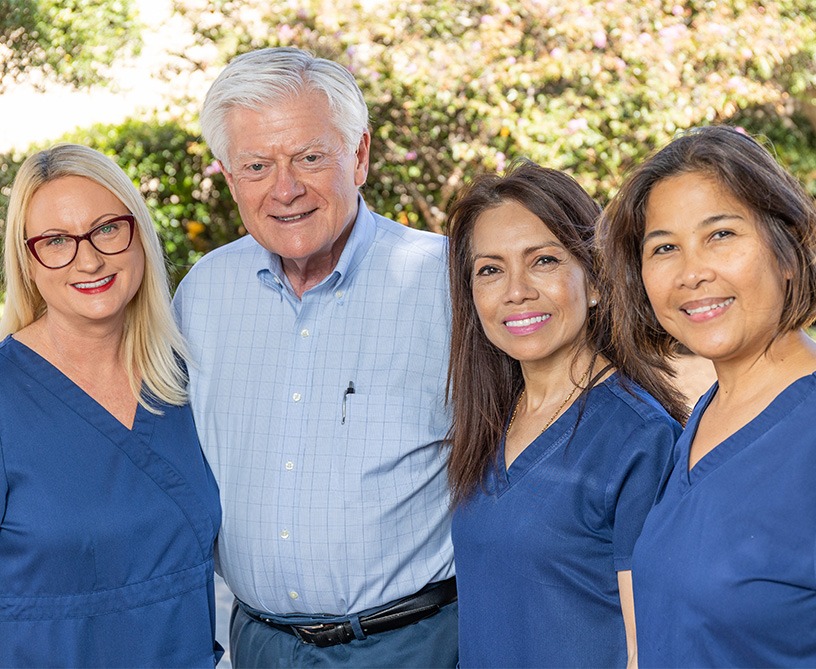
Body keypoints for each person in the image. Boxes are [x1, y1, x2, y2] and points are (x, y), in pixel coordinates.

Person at [173, 47, 456, 667]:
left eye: (309, 156)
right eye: (256, 165)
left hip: (416, 644)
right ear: (228, 175)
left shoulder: (447, 284)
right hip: (262, 645)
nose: (285, 189)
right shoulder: (203, 294)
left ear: (358, 156)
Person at [445, 159, 684, 668]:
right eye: (490, 269)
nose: (516, 290)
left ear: (595, 282)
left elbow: (653, 647)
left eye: (544, 261)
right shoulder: (489, 421)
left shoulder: (641, 439)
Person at [598, 125, 816, 667]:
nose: (692, 272)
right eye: (665, 247)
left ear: (787, 248)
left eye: (720, 234)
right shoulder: (705, 417)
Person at [0, 144, 222, 667]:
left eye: (106, 228)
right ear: (28, 263)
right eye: (56, 241)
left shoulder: (188, 380)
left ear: (139, 234)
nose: (90, 259)